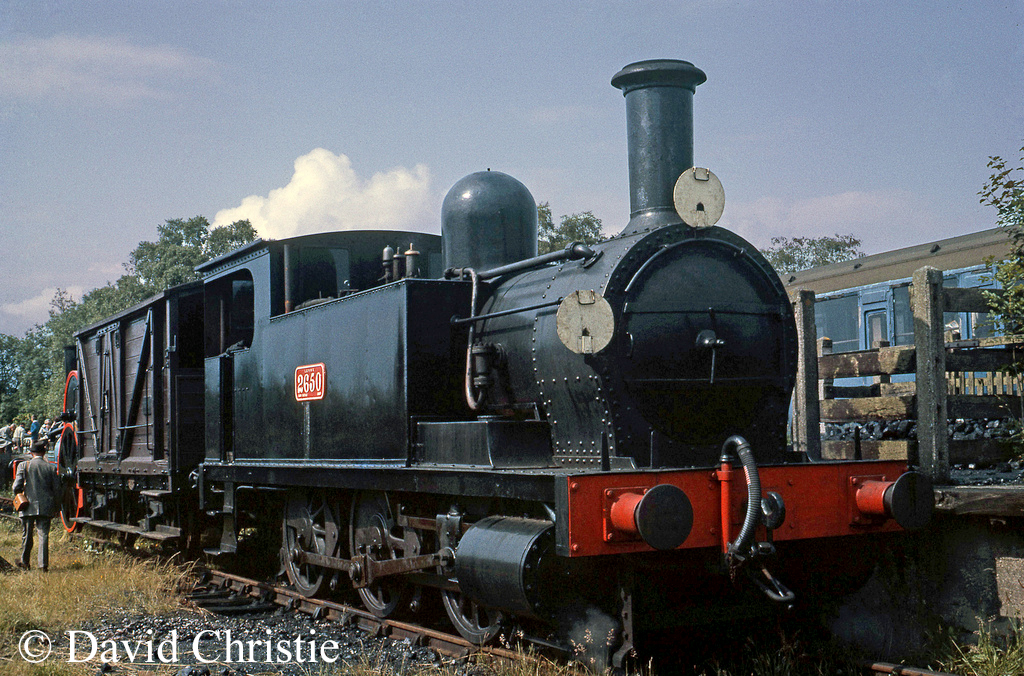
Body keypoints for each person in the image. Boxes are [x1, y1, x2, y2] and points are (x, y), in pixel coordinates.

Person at [12, 438, 61, 571]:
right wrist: (57, 508)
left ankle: (25, 562)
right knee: (43, 535)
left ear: (31, 452)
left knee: (27, 534)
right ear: (44, 452)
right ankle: (43, 565)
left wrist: (20, 495)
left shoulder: (24, 466)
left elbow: (16, 486)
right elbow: (57, 490)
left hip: (27, 505)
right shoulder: (51, 468)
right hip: (46, 506)